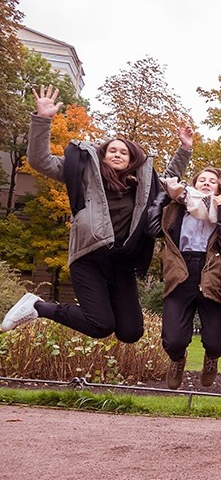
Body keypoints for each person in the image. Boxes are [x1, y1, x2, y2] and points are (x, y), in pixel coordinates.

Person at [2, 86, 191, 342]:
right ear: (102, 155)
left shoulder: (143, 185)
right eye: (112, 150)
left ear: (132, 159)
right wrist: (42, 120)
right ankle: (38, 306)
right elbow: (40, 161)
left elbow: (170, 181)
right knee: (100, 325)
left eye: (123, 152)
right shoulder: (83, 173)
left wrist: (185, 149)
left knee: (131, 332)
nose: (117, 154)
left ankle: (55, 308)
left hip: (122, 261)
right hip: (88, 257)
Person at [147, 166, 221, 389]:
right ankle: (178, 360)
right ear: (194, 184)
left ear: (220, 187)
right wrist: (165, 195)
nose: (206, 183)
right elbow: (152, 229)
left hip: (212, 273)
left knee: (217, 342)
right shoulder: (176, 208)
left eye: (212, 181)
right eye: (201, 180)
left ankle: (211, 360)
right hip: (180, 272)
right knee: (173, 340)